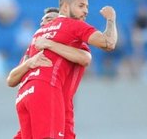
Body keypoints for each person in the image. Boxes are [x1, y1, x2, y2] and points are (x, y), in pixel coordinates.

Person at [12, 0, 117, 138]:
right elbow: (108, 43)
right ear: (66, 7)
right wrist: (111, 19)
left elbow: (11, 80)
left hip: (25, 95)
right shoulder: (73, 26)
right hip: (48, 91)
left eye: (87, 6)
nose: (86, 11)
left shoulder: (38, 36)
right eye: (81, 6)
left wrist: (49, 46)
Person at [7, 7, 92, 138]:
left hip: (58, 105)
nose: (43, 23)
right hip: (39, 101)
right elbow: (11, 80)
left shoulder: (70, 41)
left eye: (49, 19)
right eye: (42, 21)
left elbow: (85, 58)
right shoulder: (34, 49)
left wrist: (50, 44)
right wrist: (29, 63)